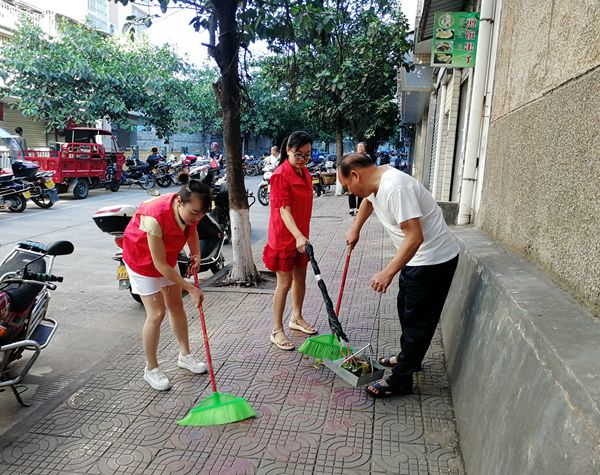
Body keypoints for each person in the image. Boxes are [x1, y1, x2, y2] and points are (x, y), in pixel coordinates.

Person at [339, 153, 460, 398]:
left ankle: (402, 379)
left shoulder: (396, 188)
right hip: (417, 258)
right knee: (405, 306)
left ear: (355, 175)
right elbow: (369, 200)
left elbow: (415, 236)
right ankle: (408, 358)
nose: (348, 192)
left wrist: (387, 272)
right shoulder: (375, 181)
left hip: (433, 260)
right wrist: (355, 228)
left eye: (346, 186)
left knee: (418, 321)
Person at [122, 174, 211, 391]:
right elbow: (159, 265)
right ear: (180, 202)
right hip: (141, 259)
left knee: (176, 305)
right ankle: (151, 369)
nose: (197, 218)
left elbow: (192, 228)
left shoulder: (190, 212)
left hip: (167, 256)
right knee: (157, 313)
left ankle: (185, 356)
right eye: (194, 212)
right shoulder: (155, 216)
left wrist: (196, 252)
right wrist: (190, 288)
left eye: (202, 214)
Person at [263, 131, 317, 350]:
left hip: (300, 236)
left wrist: (302, 235)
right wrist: (297, 235)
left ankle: (296, 317)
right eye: (298, 155)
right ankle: (276, 330)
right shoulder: (280, 175)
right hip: (285, 237)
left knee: (301, 278)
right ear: (287, 151)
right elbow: (284, 210)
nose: (303, 159)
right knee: (284, 283)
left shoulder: (303, 171)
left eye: (307, 155)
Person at [348, 142, 369, 216]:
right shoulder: (353, 157)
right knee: (351, 192)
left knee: (361, 193)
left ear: (364, 148)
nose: (360, 148)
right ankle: (352, 208)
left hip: (363, 177)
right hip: (353, 177)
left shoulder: (367, 158)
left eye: (362, 146)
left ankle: (358, 209)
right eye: (359, 146)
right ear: (357, 148)